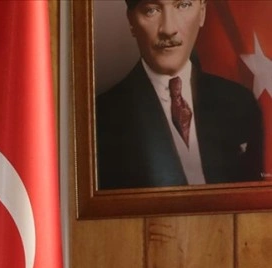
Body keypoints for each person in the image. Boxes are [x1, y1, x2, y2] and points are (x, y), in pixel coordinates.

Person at [95, 0, 264, 189]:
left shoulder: (240, 102)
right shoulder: (100, 120)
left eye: (183, 5)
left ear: (202, 12)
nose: (168, 29)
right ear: (131, 21)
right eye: (151, 10)